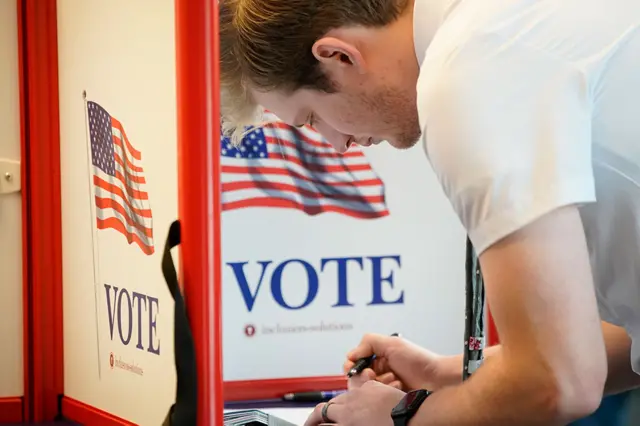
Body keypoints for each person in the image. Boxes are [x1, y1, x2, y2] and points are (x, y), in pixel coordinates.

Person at [219, 0, 640, 424]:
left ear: (339, 56)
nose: (337, 145)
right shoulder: (499, 25)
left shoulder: (467, 72)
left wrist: (401, 417)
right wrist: (444, 375)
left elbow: (558, 384)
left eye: (311, 117)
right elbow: (616, 338)